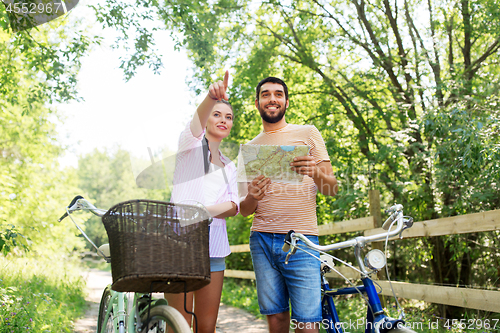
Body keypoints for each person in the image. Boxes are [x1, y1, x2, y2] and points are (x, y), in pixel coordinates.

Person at [239, 77, 338, 333]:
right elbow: (245, 209)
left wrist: (315, 173)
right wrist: (253, 196)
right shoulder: (248, 149)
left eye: (278, 94)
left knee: (307, 324)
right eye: (265, 94)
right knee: (276, 320)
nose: (272, 99)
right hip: (261, 240)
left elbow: (332, 189)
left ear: (286, 101)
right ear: (257, 102)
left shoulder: (308, 134)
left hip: (302, 240)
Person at [166, 70, 239, 333]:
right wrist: (211, 97)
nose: (223, 120)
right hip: (181, 247)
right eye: (216, 114)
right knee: (179, 325)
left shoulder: (230, 167)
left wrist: (199, 211)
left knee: (206, 327)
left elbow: (234, 207)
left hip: (215, 250)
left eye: (228, 117)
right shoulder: (190, 147)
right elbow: (193, 128)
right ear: (207, 118)